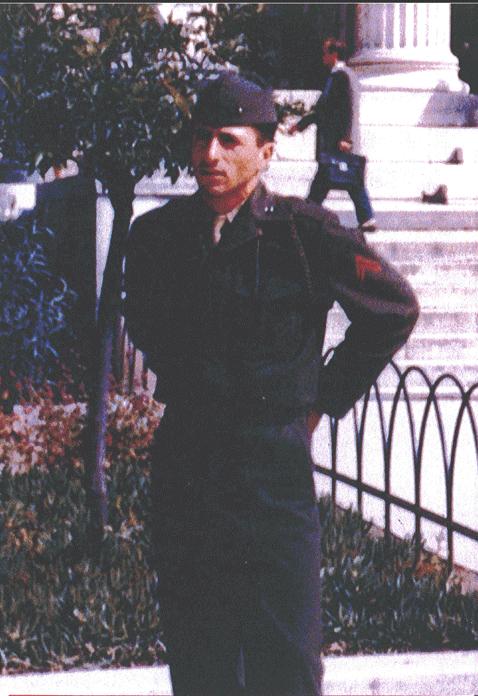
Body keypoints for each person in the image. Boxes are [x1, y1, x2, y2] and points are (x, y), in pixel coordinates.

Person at [124, 71, 419, 696]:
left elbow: (393, 309)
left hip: (272, 477)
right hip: (190, 468)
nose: (210, 156)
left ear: (265, 150)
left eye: (229, 141)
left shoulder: (303, 234)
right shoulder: (157, 238)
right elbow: (145, 321)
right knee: (200, 661)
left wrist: (322, 399)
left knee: (283, 664)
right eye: (202, 139)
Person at [289, 37, 377, 232]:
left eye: (325, 52)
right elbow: (324, 110)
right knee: (338, 179)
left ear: (334, 54)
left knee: (339, 178)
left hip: (337, 140)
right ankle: (365, 217)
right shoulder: (340, 75)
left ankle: (309, 212)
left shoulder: (342, 76)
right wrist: (301, 125)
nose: (322, 56)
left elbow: (348, 108)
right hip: (334, 139)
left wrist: (346, 137)